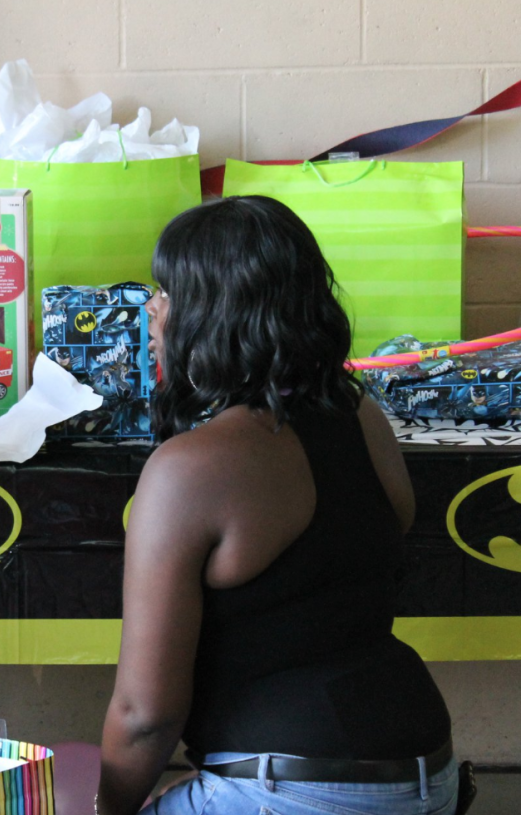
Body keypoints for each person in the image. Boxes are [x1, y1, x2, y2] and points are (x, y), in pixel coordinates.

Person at [97, 196, 457, 815]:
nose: (153, 311)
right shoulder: (361, 416)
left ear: (214, 312)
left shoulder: (190, 470)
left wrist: (103, 809)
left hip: (292, 788)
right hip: (429, 774)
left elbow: (144, 715)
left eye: (167, 291)